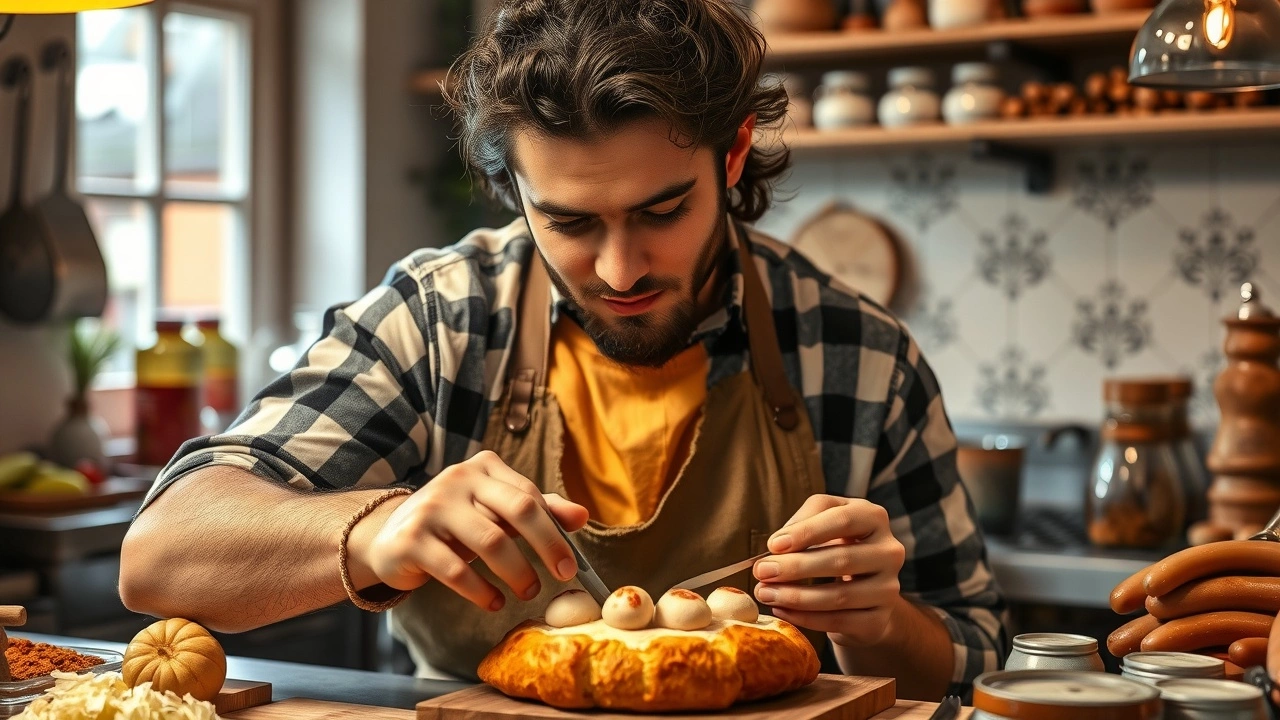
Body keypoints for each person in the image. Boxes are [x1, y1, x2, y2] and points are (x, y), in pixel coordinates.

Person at [119, 0, 1008, 700]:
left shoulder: (858, 353)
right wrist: (376, 531)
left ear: (732, 155)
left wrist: (881, 623)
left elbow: (980, 661)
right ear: (512, 187)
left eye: (662, 211)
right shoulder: (440, 321)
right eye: (571, 221)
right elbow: (159, 558)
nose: (621, 269)